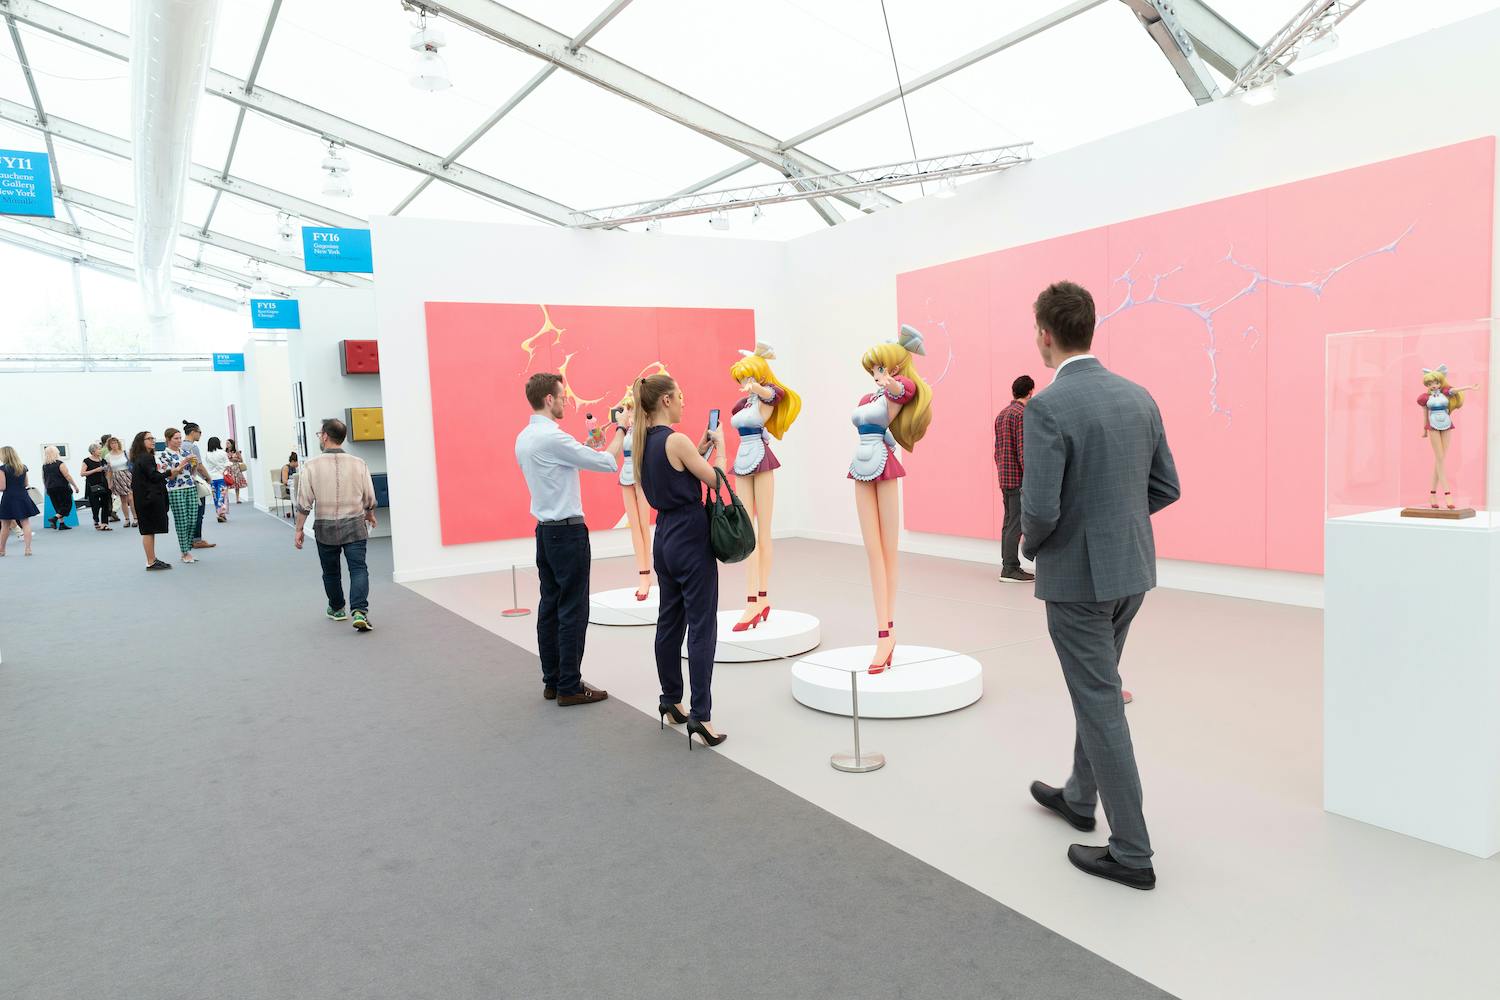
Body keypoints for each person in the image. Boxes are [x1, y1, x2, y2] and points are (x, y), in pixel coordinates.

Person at [1021, 281, 1180, 891]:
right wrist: (1116, 525)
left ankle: (1132, 853)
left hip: (1076, 581)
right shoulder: (1138, 396)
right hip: (1130, 572)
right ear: (1089, 328)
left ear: (1045, 334)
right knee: (1101, 689)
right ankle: (1079, 796)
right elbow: (1164, 487)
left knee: (1099, 701)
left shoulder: (1047, 407)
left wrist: (1030, 547)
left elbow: (1040, 509)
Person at [514, 372, 620, 707]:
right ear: (549, 399)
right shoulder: (553, 438)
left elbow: (561, 464)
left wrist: (583, 448)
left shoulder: (525, 438)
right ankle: (570, 686)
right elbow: (606, 463)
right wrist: (622, 429)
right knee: (573, 609)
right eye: (562, 396)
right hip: (568, 534)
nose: (565, 402)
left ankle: (553, 680)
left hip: (545, 532)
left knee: (550, 607)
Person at [635, 373, 729, 747]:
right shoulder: (677, 440)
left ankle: (670, 699)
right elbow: (716, 480)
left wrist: (699, 450)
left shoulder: (642, 441)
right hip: (691, 535)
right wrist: (720, 449)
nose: (683, 401)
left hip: (664, 536)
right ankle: (701, 715)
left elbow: (677, 473)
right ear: (666, 401)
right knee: (702, 626)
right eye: (679, 395)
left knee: (669, 622)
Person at [727, 343, 802, 631]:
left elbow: (774, 394)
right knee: (746, 530)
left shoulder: (766, 396)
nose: (743, 383)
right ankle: (752, 600)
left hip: (760, 457)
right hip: (742, 459)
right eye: (740, 379)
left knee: (764, 532)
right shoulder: (744, 404)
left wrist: (755, 386)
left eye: (746, 377)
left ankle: (761, 597)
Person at [294, 418, 379, 632]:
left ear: (325, 436)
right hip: (355, 524)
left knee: (331, 572)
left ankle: (337, 608)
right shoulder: (359, 463)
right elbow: (369, 496)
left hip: (326, 526)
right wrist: (370, 514)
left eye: (319, 434)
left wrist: (299, 529)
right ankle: (359, 611)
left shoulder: (311, 466)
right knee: (358, 568)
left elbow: (304, 502)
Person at [994, 374, 1035, 583]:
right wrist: (1031, 478)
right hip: (1018, 479)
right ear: (1030, 392)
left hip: (1005, 477)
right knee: (1015, 524)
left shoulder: (1002, 414)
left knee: (1008, 523)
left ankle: (1008, 565)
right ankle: (1010, 569)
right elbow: (1023, 450)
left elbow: (997, 450)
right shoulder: (1022, 414)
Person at [128, 431, 172, 570]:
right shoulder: (146, 457)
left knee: (149, 530)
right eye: (149, 438)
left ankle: (152, 559)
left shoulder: (140, 457)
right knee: (148, 531)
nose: (153, 440)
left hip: (144, 498)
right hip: (147, 498)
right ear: (141, 441)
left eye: (153, 438)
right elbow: (153, 476)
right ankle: (150, 561)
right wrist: (169, 472)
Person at [159, 428, 200, 564]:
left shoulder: (185, 452)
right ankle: (185, 552)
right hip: (175, 489)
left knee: (193, 519)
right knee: (182, 521)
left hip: (190, 487)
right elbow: (170, 476)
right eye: (176, 438)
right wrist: (183, 462)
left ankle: (187, 548)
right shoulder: (164, 455)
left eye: (180, 438)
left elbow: (192, 472)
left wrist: (194, 464)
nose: (179, 440)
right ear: (168, 439)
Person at [180, 420, 215, 549]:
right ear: (193, 432)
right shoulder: (192, 447)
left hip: (184, 483)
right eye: (200, 432)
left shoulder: (180, 446)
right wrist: (208, 478)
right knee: (199, 512)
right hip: (195, 483)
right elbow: (199, 466)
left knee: (189, 512)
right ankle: (197, 540)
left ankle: (190, 539)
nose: (200, 435)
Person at [0, 445, 40, 556]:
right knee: (25, 523)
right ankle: (28, 549)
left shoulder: (2, 469)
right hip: (22, 496)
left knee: (5, 525)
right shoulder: (23, 467)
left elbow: (2, 487)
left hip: (9, 497)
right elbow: (26, 484)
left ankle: (2, 550)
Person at [42, 445, 78, 530]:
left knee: (58, 506)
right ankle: (54, 518)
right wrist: (75, 486)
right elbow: (67, 476)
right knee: (67, 505)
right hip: (62, 487)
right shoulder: (60, 463)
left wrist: (46, 488)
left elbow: (44, 478)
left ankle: (62, 524)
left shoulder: (44, 466)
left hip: (50, 488)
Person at [80, 444, 113, 531]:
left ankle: (104, 524)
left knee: (105, 504)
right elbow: (82, 473)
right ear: (93, 451)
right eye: (98, 449)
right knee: (95, 505)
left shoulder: (103, 460)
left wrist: (109, 484)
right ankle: (96, 519)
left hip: (104, 484)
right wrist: (96, 470)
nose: (100, 451)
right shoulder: (87, 461)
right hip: (92, 485)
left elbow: (107, 473)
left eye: (100, 449)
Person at [105, 436, 136, 528]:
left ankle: (135, 518)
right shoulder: (108, 456)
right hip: (117, 477)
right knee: (123, 499)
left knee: (131, 498)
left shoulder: (125, 453)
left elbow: (132, 464)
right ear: (109, 445)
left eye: (115, 442)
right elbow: (109, 470)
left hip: (127, 475)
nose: (114, 445)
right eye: (112, 443)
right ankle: (127, 519)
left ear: (118, 443)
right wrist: (109, 482)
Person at [203, 436, 231, 522]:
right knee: (222, 496)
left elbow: (208, 465)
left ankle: (219, 513)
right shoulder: (222, 453)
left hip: (212, 478)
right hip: (221, 477)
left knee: (215, 496)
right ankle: (221, 514)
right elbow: (228, 464)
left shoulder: (207, 454)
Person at [225, 438, 247, 504]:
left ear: (232, 444)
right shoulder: (225, 452)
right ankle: (226, 499)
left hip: (235, 468)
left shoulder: (236, 452)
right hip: (228, 468)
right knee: (227, 483)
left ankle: (237, 499)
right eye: (226, 443)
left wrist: (234, 459)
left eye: (228, 443)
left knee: (237, 484)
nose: (227, 444)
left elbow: (241, 460)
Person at [281, 452, 300, 519]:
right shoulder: (286, 468)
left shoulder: (296, 468)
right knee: (296, 491)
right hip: (288, 488)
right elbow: (284, 481)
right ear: (293, 461)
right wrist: (292, 482)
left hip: (294, 486)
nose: (298, 464)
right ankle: (297, 507)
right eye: (297, 462)